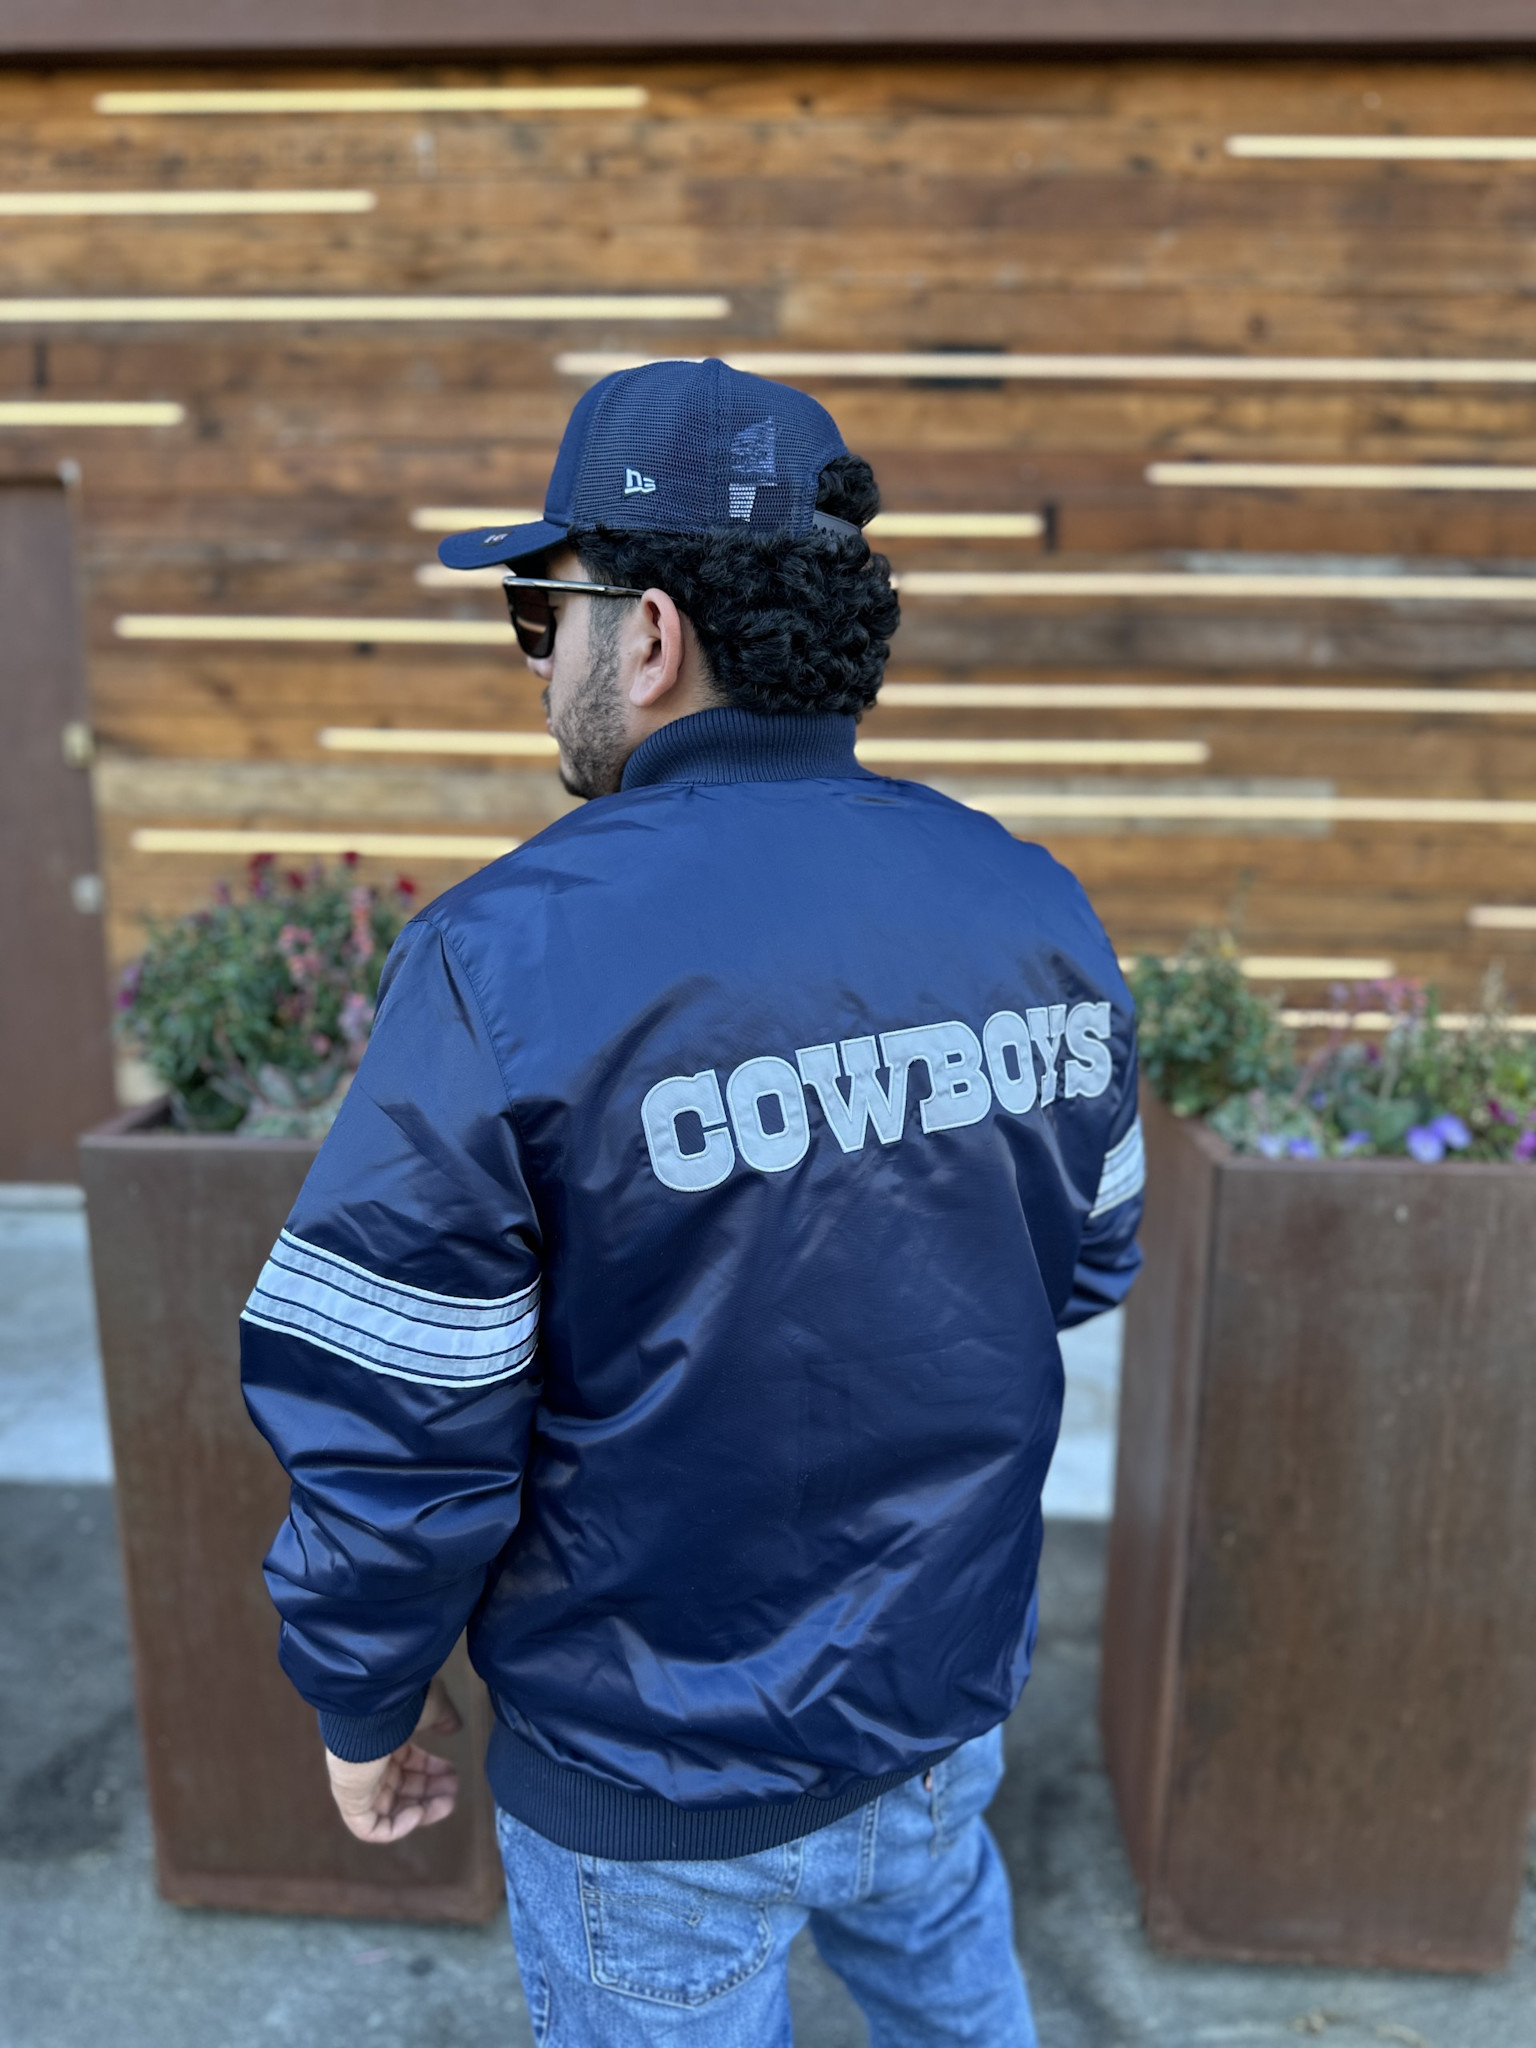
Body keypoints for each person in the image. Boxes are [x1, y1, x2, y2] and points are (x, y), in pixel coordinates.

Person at [241, 358, 1143, 2046]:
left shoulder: (502, 962)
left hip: (649, 1781)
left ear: (648, 634)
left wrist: (363, 1697)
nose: (537, 660)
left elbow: (396, 1415)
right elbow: (1087, 1259)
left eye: (540, 611)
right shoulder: (1031, 904)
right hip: (938, 1716)